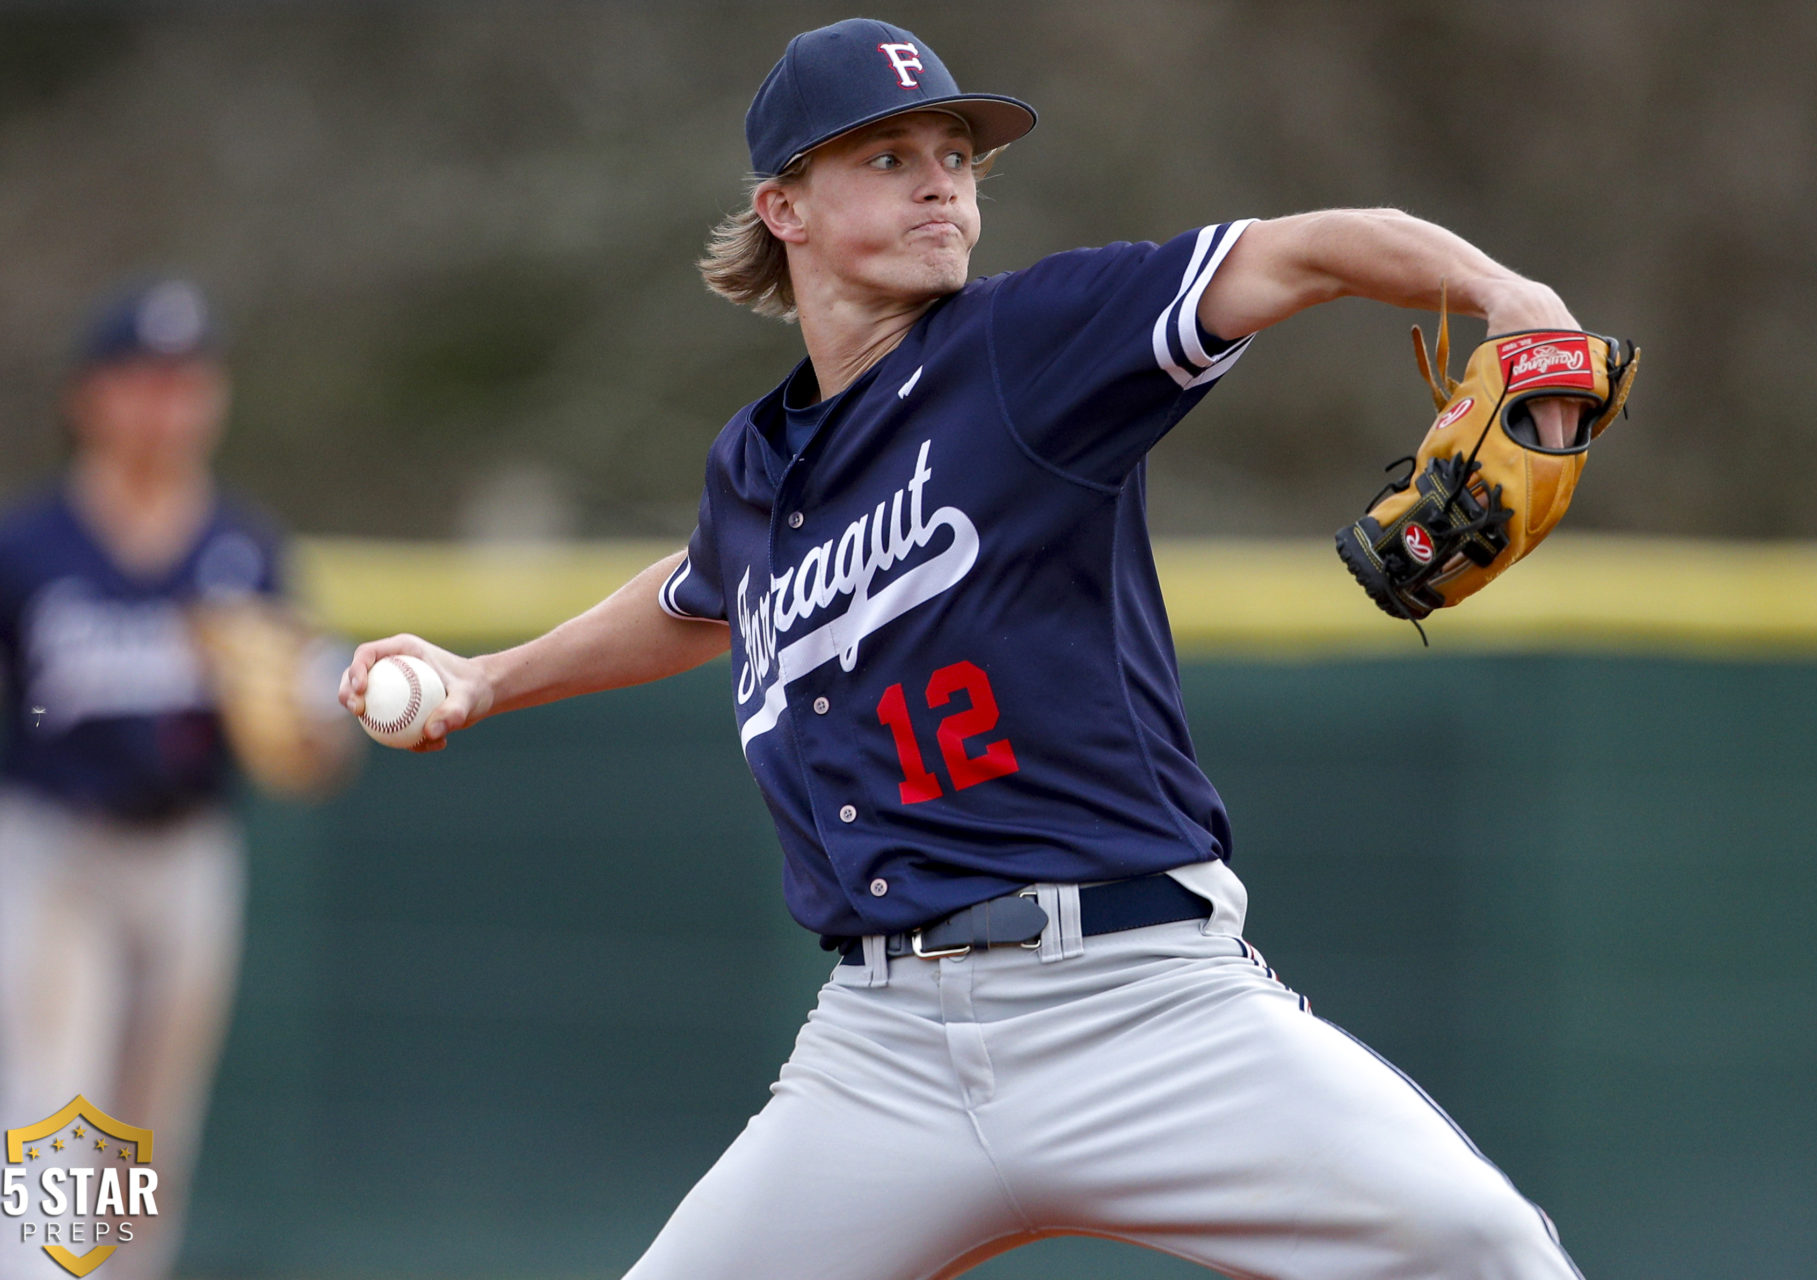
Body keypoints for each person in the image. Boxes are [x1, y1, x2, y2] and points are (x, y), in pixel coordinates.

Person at [340, 19, 1594, 1279]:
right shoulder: (754, 464)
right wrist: (487, 676)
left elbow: (1303, 252)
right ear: (784, 206)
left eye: (955, 152)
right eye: (887, 156)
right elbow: (696, 595)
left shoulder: (1032, 344)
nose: (940, 178)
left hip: (1138, 1000)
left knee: (1479, 1247)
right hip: (881, 1051)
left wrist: (1510, 297)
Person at [0, 280, 352, 1280]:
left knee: (147, 1124)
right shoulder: (26, 548)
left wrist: (302, 723)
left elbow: (312, 755)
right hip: (51, 849)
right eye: (144, 382)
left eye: (188, 382)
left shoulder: (245, 551)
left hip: (188, 855)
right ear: (90, 398)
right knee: (57, 1108)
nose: (169, 404)